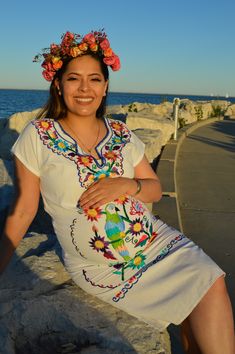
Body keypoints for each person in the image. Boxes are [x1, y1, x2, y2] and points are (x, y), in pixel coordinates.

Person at [0, 30, 234, 354]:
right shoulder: (38, 136)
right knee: (201, 295)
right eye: (74, 79)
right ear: (58, 84)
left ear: (105, 86)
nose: (85, 89)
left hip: (155, 240)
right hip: (104, 266)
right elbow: (24, 209)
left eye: (94, 79)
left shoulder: (121, 133)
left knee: (211, 281)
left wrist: (128, 185)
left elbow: (154, 188)